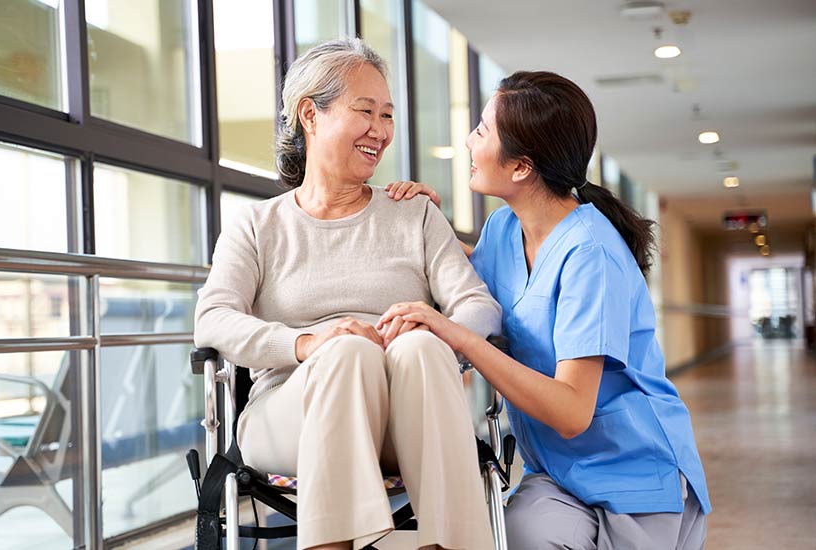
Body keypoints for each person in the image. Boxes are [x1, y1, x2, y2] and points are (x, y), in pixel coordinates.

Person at [380, 71, 710, 550]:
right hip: (559, 475)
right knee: (521, 533)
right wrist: (425, 221)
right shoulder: (501, 229)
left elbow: (572, 410)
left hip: (636, 476)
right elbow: (464, 272)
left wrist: (458, 335)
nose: (470, 141)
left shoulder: (590, 253)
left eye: (482, 130)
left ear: (521, 168)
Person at [193, 38, 501, 550]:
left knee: (423, 345)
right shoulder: (257, 224)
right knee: (347, 351)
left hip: (407, 417)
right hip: (292, 414)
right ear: (310, 115)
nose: (380, 131)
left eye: (387, 115)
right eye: (365, 111)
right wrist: (309, 343)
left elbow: (478, 306)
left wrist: (437, 325)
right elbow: (214, 318)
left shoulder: (413, 213)